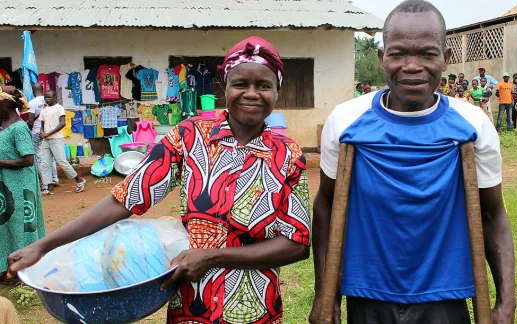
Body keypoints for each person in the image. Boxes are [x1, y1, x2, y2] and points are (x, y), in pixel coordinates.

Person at [7, 36, 311, 324]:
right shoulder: (191, 137)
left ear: (277, 91)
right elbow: (125, 198)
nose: (251, 93)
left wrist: (212, 256)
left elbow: (296, 245)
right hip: (192, 305)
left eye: (264, 85)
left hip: (256, 307)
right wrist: (44, 246)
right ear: (226, 87)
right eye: (240, 83)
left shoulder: (288, 156)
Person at [310, 1, 515, 324]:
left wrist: (506, 303)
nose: (412, 66)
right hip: (367, 295)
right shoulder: (347, 120)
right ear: (381, 58)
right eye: (398, 53)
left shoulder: (472, 124)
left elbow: (492, 214)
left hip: (445, 296)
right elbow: (326, 205)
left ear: (446, 59)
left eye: (427, 54)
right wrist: (325, 297)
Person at [0, 86, 45, 281]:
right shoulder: (4, 126)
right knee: (6, 224)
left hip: (20, 186)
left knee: (21, 224)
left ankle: (24, 270)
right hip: (7, 186)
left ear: (7, 103)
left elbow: (28, 160)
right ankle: (6, 266)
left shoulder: (18, 128)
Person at [38, 90, 86, 195]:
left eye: (49, 97)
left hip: (56, 139)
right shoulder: (44, 110)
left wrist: (48, 133)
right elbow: (42, 124)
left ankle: (79, 180)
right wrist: (42, 132)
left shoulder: (59, 108)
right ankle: (48, 185)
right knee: (44, 163)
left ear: (55, 97)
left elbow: (63, 123)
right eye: (45, 97)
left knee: (62, 161)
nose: (47, 99)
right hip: (46, 140)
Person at [27, 83, 59, 189]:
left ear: (32, 90)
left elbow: (31, 122)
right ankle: (54, 178)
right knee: (51, 156)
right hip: (48, 132)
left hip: (36, 132)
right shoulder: (50, 101)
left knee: (39, 157)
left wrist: (28, 131)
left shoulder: (32, 103)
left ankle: (45, 181)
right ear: (43, 89)